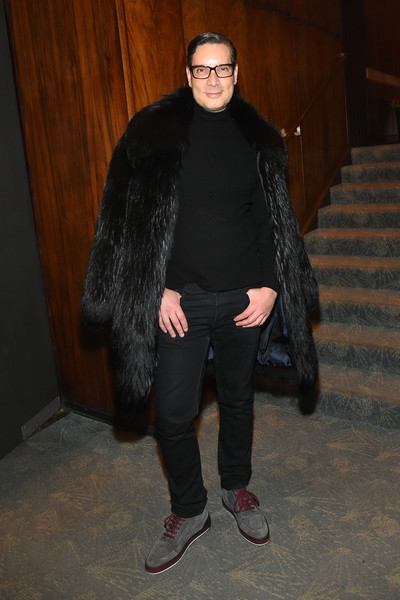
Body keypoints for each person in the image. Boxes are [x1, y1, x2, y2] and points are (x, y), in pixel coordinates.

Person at [82, 32, 318, 574]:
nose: (213, 79)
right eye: (202, 69)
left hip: (244, 300)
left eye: (222, 68)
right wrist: (153, 288)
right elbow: (125, 220)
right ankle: (190, 510)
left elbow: (271, 222)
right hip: (179, 304)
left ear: (236, 74)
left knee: (237, 398)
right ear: (188, 75)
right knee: (172, 413)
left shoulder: (258, 139)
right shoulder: (153, 133)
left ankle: (236, 486)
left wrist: (270, 285)